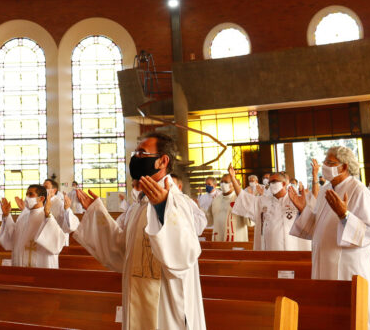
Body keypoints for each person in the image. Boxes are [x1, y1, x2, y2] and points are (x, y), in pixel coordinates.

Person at [75, 131, 205, 329]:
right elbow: (123, 251)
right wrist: (96, 213)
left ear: (162, 161)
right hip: (137, 297)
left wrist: (162, 208)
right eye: (135, 153)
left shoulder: (177, 201)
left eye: (142, 153)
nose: (136, 158)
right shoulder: (139, 205)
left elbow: (184, 254)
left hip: (166, 305)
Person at [288, 146, 370, 330]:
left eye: (330, 163)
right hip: (323, 260)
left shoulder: (359, 191)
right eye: (325, 161)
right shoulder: (325, 190)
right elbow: (318, 226)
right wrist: (303, 209)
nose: (324, 166)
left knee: (352, 316)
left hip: (347, 266)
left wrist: (344, 215)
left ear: (344, 166)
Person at [0, 184, 76, 267]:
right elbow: (14, 237)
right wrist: (6, 216)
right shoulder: (23, 216)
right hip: (20, 265)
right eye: (26, 194)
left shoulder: (46, 217)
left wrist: (47, 214)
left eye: (31, 194)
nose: (27, 197)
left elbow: (56, 243)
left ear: (41, 198)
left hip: (40, 266)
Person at [231, 169, 309, 251]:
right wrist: (233, 178)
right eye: (270, 182)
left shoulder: (296, 199)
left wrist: (302, 208)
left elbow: (309, 220)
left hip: (292, 248)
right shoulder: (263, 201)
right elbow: (243, 198)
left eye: (274, 181)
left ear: (283, 184)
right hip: (270, 248)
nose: (271, 184)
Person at [211, 172, 248, 241]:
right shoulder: (216, 200)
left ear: (233, 184)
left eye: (226, 182)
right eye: (221, 182)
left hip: (236, 238)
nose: (223, 184)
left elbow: (249, 220)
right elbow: (209, 219)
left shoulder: (239, 198)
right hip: (219, 237)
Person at [170, 172, 207, 236]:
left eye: (171, 185)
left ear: (179, 187)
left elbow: (200, 223)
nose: (168, 187)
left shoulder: (187, 201)